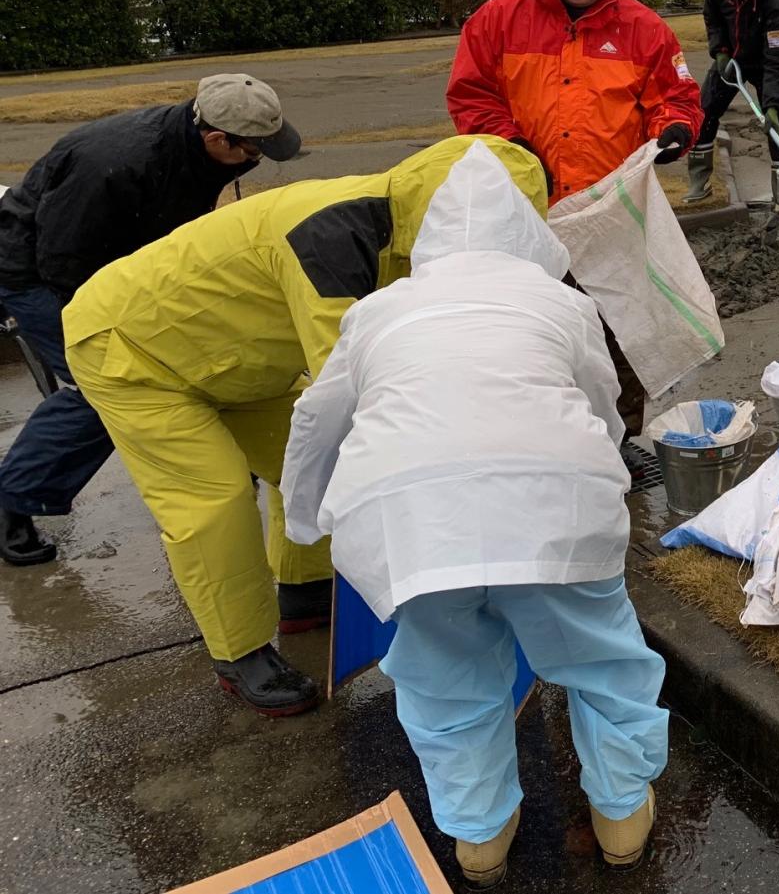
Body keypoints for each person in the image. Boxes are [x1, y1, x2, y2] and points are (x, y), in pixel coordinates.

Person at [282, 144, 666, 889]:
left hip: (411, 526)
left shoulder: (377, 311)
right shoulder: (561, 301)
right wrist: (604, 465)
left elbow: (315, 419)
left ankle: (480, 837)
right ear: (525, 236)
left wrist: (305, 518)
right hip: (555, 509)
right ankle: (621, 813)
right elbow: (596, 399)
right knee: (601, 661)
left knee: (445, 679)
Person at [61, 136, 548, 717]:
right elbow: (360, 387)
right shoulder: (332, 237)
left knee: (313, 459)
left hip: (237, 358)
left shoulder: (410, 229)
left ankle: (302, 590)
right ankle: (239, 652)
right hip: (135, 350)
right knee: (213, 503)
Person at [0, 74, 301, 567]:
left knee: (197, 352)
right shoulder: (114, 165)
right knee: (106, 384)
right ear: (217, 138)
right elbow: (62, 260)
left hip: (117, 262)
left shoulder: (197, 146)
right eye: (254, 151)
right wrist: (122, 333)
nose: (257, 160)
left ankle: (220, 457)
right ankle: (14, 499)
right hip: (39, 273)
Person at [446, 0, 703, 445]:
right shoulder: (499, 20)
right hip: (524, 213)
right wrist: (513, 145)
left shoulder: (645, 30)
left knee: (619, 331)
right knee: (532, 331)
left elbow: (676, 96)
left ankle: (619, 442)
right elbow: (471, 96)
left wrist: (675, 128)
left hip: (611, 215)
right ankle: (541, 441)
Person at [688, 0, 779, 221]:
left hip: (766, 63)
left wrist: (773, 104)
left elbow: (777, 56)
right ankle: (698, 182)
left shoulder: (775, 2)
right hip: (729, 60)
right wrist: (719, 52)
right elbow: (712, 20)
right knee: (704, 112)